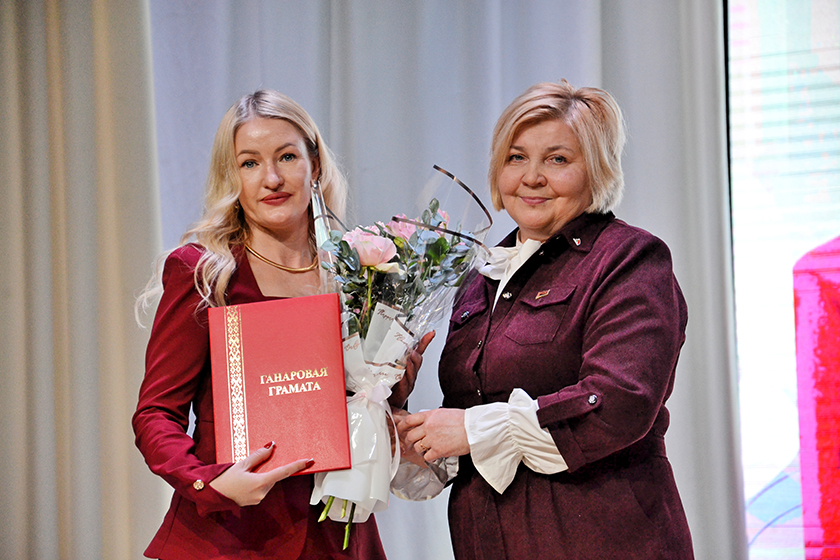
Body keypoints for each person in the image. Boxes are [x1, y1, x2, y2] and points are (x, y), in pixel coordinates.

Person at [396, 81, 694, 559]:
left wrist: (471, 430)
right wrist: (407, 427)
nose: (532, 177)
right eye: (516, 157)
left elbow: (619, 402)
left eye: (557, 159)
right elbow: (470, 422)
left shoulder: (630, 259)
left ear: (596, 170)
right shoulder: (482, 277)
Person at [133, 90, 421, 559]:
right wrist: (208, 482)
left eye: (287, 156)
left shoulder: (361, 275)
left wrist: (394, 390)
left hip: (337, 537)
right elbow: (155, 414)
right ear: (233, 177)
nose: (271, 178)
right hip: (230, 538)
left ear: (315, 165)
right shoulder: (205, 273)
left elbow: (359, 409)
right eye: (249, 163)